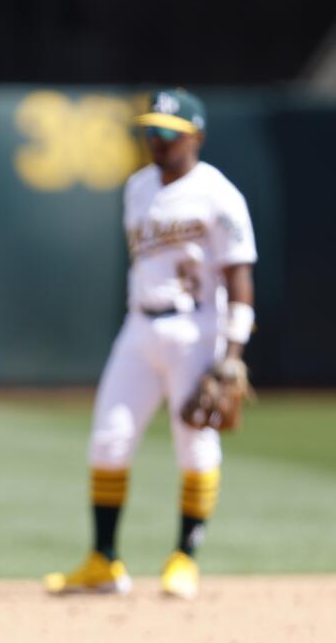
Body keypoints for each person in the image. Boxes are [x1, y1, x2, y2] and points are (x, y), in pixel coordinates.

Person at [43, 88, 257, 601]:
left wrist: (231, 357)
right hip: (139, 326)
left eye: (168, 132)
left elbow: (240, 278)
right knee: (109, 438)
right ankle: (103, 560)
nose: (156, 139)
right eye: (150, 130)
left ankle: (185, 556)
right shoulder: (137, 187)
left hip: (196, 327)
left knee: (195, 441)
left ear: (195, 137)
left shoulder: (218, 194)